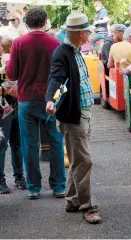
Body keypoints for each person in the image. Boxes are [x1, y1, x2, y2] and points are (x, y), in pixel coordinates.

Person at [45, 13, 102, 224]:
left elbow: (67, 81)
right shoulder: (62, 53)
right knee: (85, 161)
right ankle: (88, 207)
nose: (89, 34)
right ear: (80, 33)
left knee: (78, 160)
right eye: (87, 31)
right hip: (73, 116)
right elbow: (56, 78)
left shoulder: (74, 50)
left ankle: (72, 200)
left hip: (81, 113)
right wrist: (51, 100)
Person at [5, 7, 65, 200]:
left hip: (27, 99)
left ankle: (33, 187)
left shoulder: (19, 43)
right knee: (55, 142)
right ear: (45, 21)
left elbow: (11, 74)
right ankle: (58, 186)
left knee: (30, 144)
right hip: (51, 99)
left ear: (26, 23)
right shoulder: (56, 42)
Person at [0, 36, 26, 194]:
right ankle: (1, 179)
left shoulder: (13, 62)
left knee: (17, 143)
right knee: (2, 145)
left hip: (16, 106)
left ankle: (19, 176)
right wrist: (6, 89)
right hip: (3, 108)